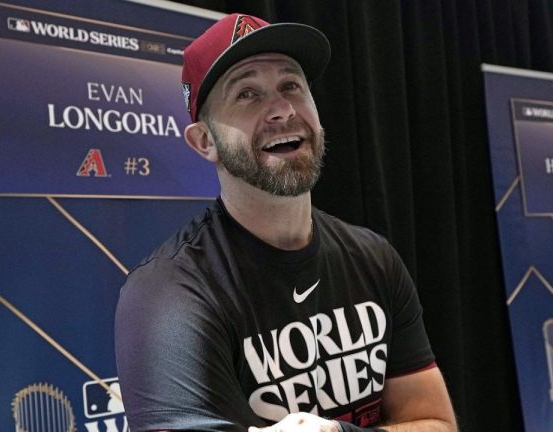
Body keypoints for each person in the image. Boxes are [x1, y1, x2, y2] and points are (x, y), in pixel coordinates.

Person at [115, 12, 457, 432]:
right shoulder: (168, 295)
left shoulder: (373, 258)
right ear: (205, 141)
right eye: (247, 94)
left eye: (292, 85)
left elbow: (436, 422)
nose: (281, 109)